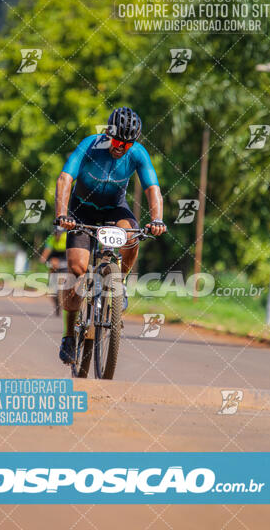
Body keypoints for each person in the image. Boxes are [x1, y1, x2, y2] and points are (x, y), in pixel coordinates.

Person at [54, 106, 166, 364]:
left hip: (115, 209)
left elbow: (153, 189)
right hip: (81, 211)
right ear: (108, 134)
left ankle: (120, 284)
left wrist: (157, 219)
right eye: (117, 140)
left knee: (132, 236)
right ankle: (68, 335)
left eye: (127, 144)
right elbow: (64, 179)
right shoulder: (90, 145)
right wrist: (62, 215)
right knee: (77, 270)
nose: (121, 147)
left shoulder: (137, 153)